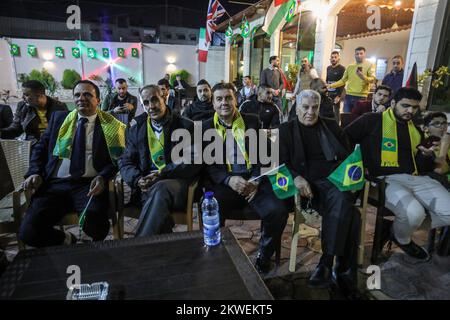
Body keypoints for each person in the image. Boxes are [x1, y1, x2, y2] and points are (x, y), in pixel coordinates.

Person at [345, 87, 450, 260]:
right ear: (393, 103)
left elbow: (422, 167)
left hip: (417, 177)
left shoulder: (415, 130)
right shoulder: (371, 120)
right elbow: (344, 139)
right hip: (383, 179)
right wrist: (358, 165)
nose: (410, 111)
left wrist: (425, 154)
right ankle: (403, 238)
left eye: (415, 107)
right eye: (405, 106)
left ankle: (395, 229)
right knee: (413, 213)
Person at [19, 80, 126, 248]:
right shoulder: (59, 119)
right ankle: (67, 240)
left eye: (87, 94)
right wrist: (35, 172)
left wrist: (103, 177)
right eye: (77, 95)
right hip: (55, 184)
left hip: (88, 184)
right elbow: (40, 148)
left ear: (98, 100)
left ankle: (93, 258)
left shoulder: (111, 125)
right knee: (28, 232)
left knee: (97, 228)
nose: (81, 98)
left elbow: (117, 159)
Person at [280, 89, 361, 293]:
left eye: (315, 107)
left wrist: (351, 172)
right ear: (296, 107)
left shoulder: (331, 126)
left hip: (337, 181)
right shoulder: (286, 129)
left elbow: (348, 153)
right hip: (310, 188)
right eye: (305, 107)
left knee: (343, 198)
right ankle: (342, 269)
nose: (310, 112)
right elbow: (278, 163)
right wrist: (295, 177)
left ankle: (326, 262)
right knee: (353, 214)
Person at [203, 82, 289, 274]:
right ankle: (215, 252)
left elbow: (267, 156)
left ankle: (264, 256)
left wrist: (256, 180)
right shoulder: (206, 127)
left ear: (236, 100)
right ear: (213, 103)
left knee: (278, 210)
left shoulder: (252, 121)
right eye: (219, 99)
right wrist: (228, 180)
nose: (224, 102)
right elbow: (207, 165)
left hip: (253, 180)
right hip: (226, 182)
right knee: (209, 207)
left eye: (228, 98)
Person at [119, 85, 199, 236]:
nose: (151, 106)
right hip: (145, 187)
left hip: (177, 185)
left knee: (160, 188)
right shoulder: (136, 128)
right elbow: (125, 161)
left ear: (165, 98)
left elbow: (193, 161)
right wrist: (137, 180)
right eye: (146, 102)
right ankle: (159, 248)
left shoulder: (185, 125)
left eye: (155, 100)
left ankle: (138, 246)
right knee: (157, 208)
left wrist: (162, 173)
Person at [0, 80, 67, 144]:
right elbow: (15, 129)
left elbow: (66, 131)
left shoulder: (59, 107)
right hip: (33, 145)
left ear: (40, 96)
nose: (22, 97)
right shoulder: (22, 107)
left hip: (54, 145)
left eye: (26, 95)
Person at [328, 47, 376, 112]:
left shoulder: (370, 65)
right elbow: (343, 80)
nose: (359, 55)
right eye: (357, 54)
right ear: (355, 55)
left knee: (357, 118)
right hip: (348, 96)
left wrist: (363, 77)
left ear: (364, 54)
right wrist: (330, 85)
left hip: (361, 96)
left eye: (361, 53)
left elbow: (373, 80)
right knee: (345, 117)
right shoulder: (350, 66)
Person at [326, 51, 346, 122]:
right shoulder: (328, 68)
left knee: (336, 112)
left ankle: (337, 128)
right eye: (332, 57)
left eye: (335, 57)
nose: (333, 59)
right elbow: (327, 80)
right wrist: (326, 91)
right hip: (329, 93)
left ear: (338, 58)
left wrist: (339, 96)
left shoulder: (342, 68)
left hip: (337, 94)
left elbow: (343, 83)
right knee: (328, 111)